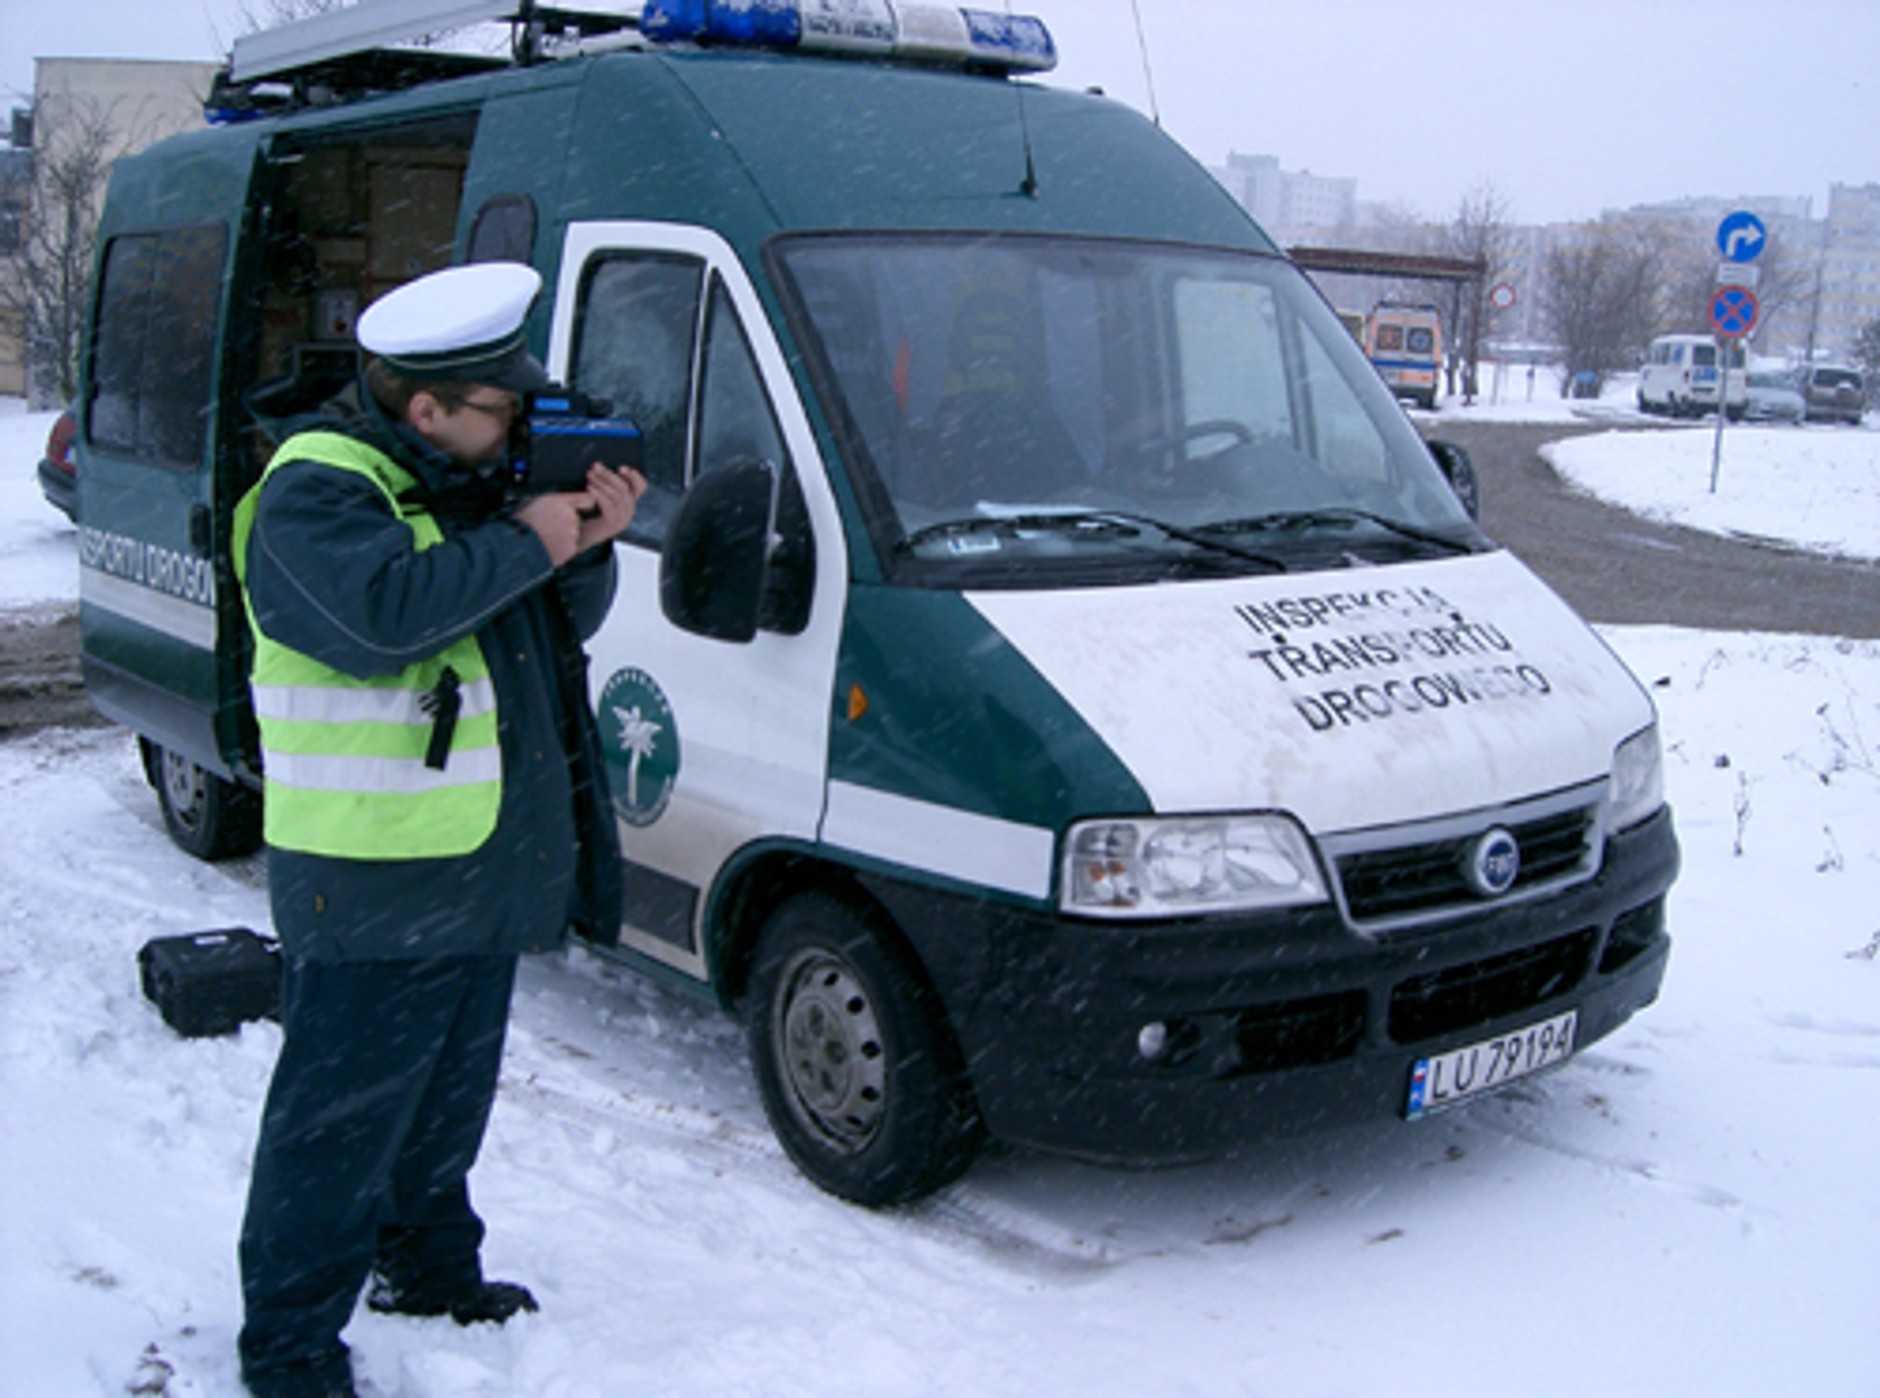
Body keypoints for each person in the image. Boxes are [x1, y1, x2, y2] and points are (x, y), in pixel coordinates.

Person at [232, 261, 645, 1398]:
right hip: (368, 873)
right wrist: (529, 538)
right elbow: (382, 621)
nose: (517, 425)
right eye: (499, 409)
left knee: (444, 1098)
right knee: (336, 1124)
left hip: (474, 857)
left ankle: (426, 1268)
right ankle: (289, 1350)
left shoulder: (466, 487)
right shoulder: (319, 488)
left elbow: (546, 625)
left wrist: (586, 541)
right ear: (426, 408)